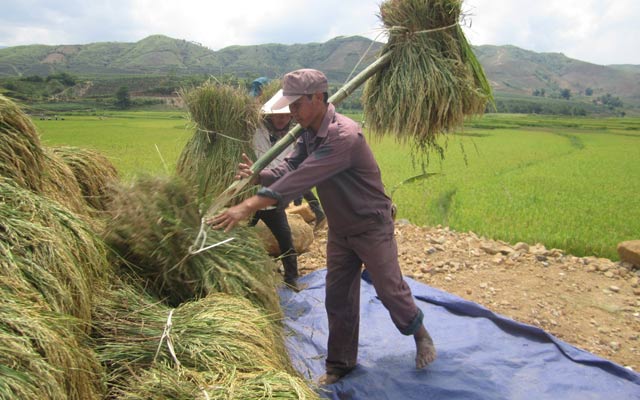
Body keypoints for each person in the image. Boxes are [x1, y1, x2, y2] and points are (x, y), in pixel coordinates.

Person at [210, 69, 436, 384]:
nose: (291, 112)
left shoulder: (344, 135)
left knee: (389, 289)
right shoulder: (307, 132)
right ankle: (340, 364)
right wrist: (258, 175)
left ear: (318, 98)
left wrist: (247, 205)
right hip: (341, 230)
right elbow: (290, 164)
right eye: (288, 106)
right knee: (337, 296)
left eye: (296, 105)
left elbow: (301, 177)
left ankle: (420, 334)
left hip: (371, 224)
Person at [250, 85, 302, 291]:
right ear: (269, 116)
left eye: (286, 115)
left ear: (291, 116)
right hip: (249, 196)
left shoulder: (294, 138)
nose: (281, 119)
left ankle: (291, 279)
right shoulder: (255, 130)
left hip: (273, 199)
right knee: (238, 235)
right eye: (277, 115)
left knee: (285, 239)